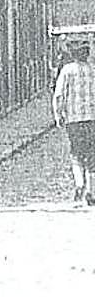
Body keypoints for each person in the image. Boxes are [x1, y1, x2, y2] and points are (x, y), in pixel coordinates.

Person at [52, 40, 95, 206]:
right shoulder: (93, 70)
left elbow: (59, 94)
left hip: (74, 120)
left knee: (76, 154)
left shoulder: (67, 70)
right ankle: (92, 192)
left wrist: (59, 114)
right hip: (92, 119)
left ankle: (79, 184)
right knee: (92, 155)